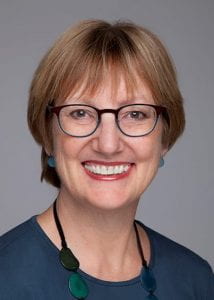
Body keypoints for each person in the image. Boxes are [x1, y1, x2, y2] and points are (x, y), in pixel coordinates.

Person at [0, 19, 213, 300]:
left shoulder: (195, 280)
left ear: (164, 139)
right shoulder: (6, 276)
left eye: (136, 114)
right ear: (47, 135)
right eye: (80, 113)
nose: (108, 145)